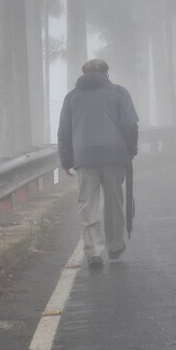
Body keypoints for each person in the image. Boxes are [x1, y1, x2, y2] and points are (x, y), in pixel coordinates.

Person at [58, 59, 139, 269]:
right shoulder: (119, 92)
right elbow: (130, 124)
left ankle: (94, 250)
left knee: (87, 203)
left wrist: (66, 160)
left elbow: (64, 131)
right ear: (106, 73)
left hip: (84, 156)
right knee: (114, 202)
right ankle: (115, 244)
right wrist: (131, 150)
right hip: (114, 155)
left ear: (83, 74)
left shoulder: (71, 97)